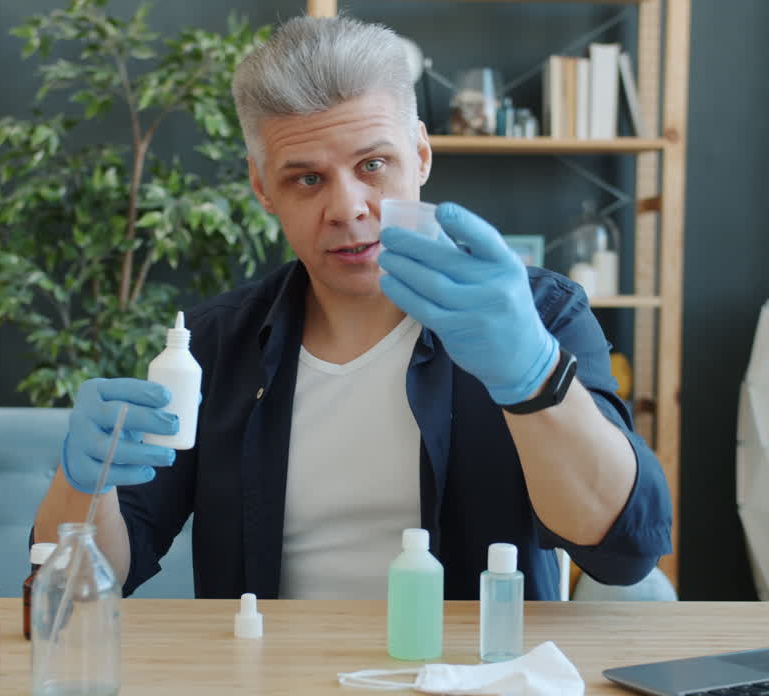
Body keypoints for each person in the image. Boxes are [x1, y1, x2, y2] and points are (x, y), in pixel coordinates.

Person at [34, 14, 671, 601]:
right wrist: (83, 483)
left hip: (477, 685)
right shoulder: (214, 345)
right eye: (306, 178)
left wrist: (536, 381)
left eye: (373, 164)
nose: (347, 207)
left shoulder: (540, 315)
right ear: (262, 188)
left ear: (419, 155)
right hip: (265, 687)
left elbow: (623, 554)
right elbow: (81, 588)